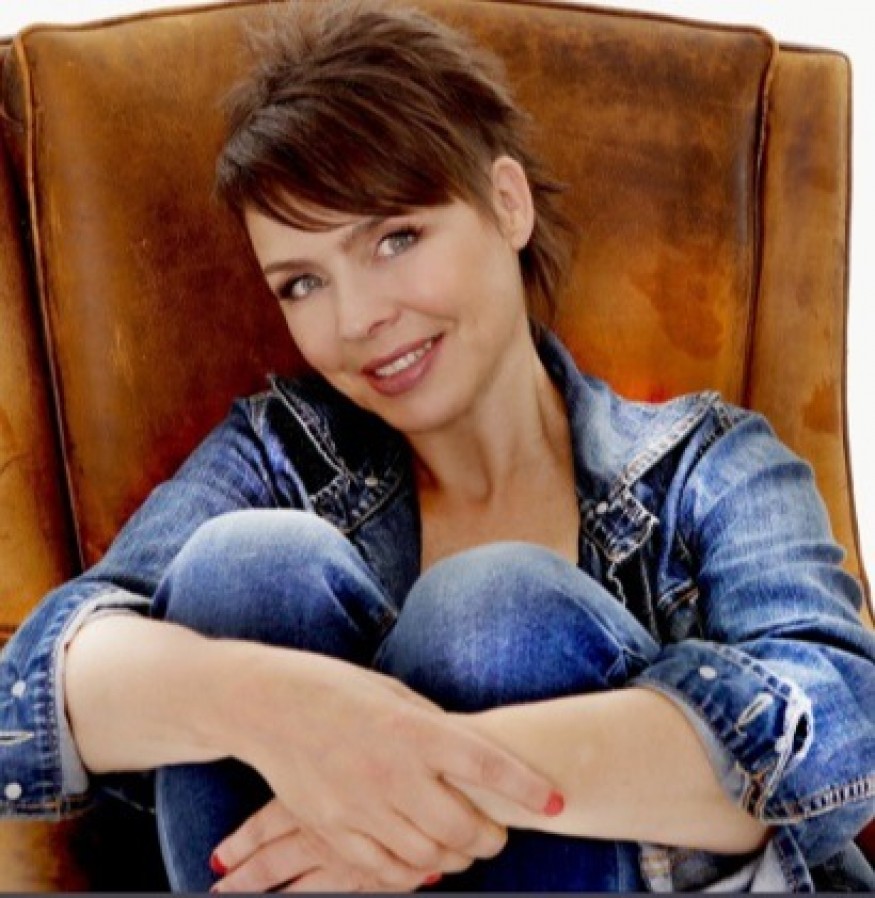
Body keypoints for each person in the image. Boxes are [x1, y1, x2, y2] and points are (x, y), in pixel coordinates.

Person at [2, 0, 874, 892]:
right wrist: (284, 711)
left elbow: (843, 722)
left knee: (494, 613)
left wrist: (414, 782)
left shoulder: (705, 462)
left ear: (506, 204)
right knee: (247, 567)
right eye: (301, 283)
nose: (356, 318)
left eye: (395, 238)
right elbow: (32, 690)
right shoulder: (278, 452)